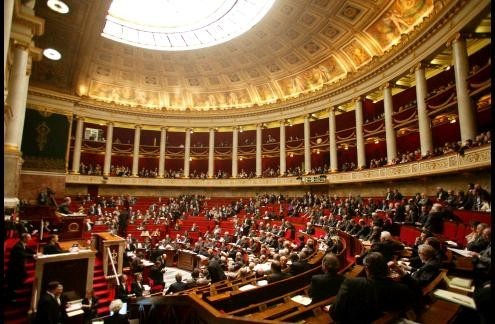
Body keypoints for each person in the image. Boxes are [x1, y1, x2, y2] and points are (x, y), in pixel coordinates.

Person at [330, 252, 413, 323]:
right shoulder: (401, 289)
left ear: (367, 269)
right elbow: (417, 294)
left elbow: (335, 313)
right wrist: (402, 273)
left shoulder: (351, 284)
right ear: (386, 268)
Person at [6, 233, 35, 302]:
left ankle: (13, 294)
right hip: (14, 269)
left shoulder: (22, 244)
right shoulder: (18, 246)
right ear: (24, 238)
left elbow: (28, 249)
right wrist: (33, 256)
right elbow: (23, 254)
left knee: (19, 280)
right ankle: (10, 299)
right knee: (12, 284)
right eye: (29, 238)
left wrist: (35, 253)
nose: (30, 239)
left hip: (19, 268)